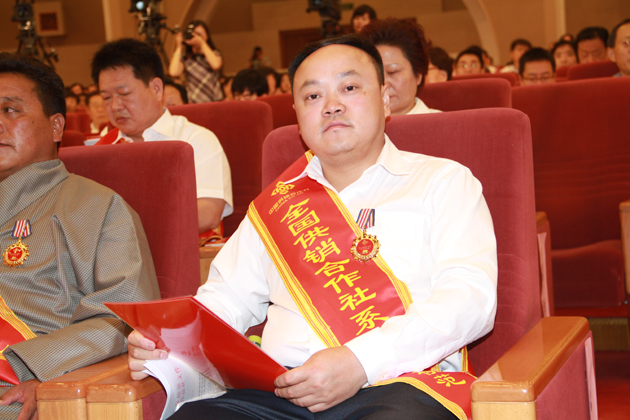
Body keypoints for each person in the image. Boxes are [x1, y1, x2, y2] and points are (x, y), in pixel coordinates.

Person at [128, 34, 497, 420]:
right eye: (313, 95)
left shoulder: (443, 182)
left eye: (349, 88)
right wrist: (169, 339)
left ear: (385, 98)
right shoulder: (276, 204)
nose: (331, 105)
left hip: (402, 384)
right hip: (280, 391)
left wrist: (359, 361)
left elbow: (470, 298)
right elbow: (227, 299)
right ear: (297, 115)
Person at [0, 53, 160, 420]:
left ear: (56, 126)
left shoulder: (96, 207)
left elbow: (124, 316)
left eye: (10, 110)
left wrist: (43, 373)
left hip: (21, 384)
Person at [91, 38, 233, 234]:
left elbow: (208, 214)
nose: (115, 106)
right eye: (106, 97)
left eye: (124, 93)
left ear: (156, 89)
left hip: (183, 250)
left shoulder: (196, 140)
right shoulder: (101, 149)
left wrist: (125, 230)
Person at [360, 18, 440, 115]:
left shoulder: (445, 122)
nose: (383, 84)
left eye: (392, 72)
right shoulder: (350, 123)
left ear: (418, 75)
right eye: (375, 74)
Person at [169, 20, 224, 103]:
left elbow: (216, 65)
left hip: (215, 101)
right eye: (194, 34)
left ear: (206, 36)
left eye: (199, 34)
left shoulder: (214, 53)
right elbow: (173, 72)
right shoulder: (187, 58)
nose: (196, 36)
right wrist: (179, 46)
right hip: (195, 102)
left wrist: (202, 43)